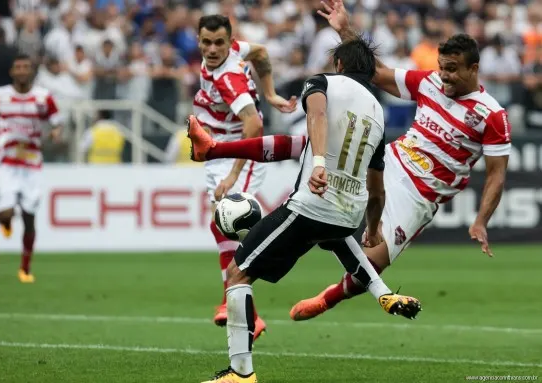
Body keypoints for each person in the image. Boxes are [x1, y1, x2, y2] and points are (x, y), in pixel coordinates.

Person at [192, 0, 513, 324]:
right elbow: (373, 71)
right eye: (442, 66)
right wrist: (345, 30)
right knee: (307, 151)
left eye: (453, 69)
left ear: (474, 69)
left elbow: (497, 174)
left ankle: (329, 297)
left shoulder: (491, 115)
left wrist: (481, 220)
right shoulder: (429, 82)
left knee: (373, 262)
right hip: (390, 160)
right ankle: (220, 150)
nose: (444, 75)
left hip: (421, 194)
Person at [191, 35, 421, 383]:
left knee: (238, 274)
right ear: (371, 72)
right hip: (350, 212)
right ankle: (382, 293)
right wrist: (373, 227)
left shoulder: (322, 84)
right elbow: (377, 189)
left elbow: (314, 115)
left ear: (339, 64)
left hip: (312, 201)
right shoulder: (377, 114)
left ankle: (241, 373)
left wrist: (317, 163)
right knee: (335, 233)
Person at [193, 15, 296, 339]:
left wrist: (233, 175)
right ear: (199, 39)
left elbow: (253, 126)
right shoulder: (236, 50)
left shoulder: (228, 79)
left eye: (218, 43)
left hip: (240, 153)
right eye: (206, 42)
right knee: (219, 224)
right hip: (221, 149)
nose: (212, 49)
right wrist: (271, 93)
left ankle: (239, 307)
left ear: (228, 41)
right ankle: (244, 310)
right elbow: (262, 53)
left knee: (231, 222)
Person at [0, 54, 63, 283]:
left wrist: (56, 133)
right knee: (7, 212)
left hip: (32, 163)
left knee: (29, 217)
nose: (23, 71)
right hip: (6, 162)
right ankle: (5, 222)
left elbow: (57, 122)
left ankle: (25, 268)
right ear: (12, 72)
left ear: (32, 72)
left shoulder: (43, 97)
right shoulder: (0, 95)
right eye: (19, 67)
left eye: (27, 67)